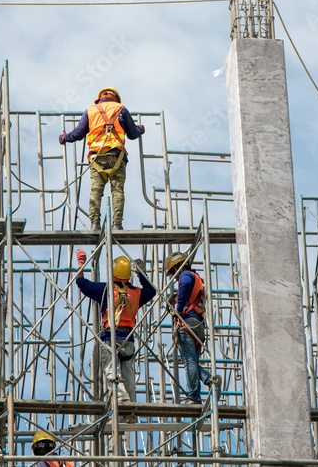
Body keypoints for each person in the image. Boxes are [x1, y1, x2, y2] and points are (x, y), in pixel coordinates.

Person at [74, 249, 155, 404]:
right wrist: (142, 273)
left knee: (112, 370)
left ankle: (121, 398)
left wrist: (81, 264)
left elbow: (82, 284)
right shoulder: (136, 293)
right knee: (128, 374)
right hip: (128, 339)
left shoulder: (105, 289)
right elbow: (151, 291)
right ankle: (129, 410)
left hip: (110, 336)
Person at [59, 88, 145, 231]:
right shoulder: (121, 109)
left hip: (96, 158)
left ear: (100, 98)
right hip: (117, 157)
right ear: (116, 99)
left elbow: (79, 133)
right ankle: (117, 224)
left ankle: (94, 224)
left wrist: (64, 137)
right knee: (117, 191)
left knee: (96, 191)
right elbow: (133, 133)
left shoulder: (91, 110)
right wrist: (141, 128)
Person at [165, 252, 221, 404]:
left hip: (188, 322)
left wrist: (179, 306)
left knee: (189, 360)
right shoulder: (197, 278)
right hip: (198, 325)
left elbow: (184, 284)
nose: (175, 277)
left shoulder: (186, 275)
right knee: (193, 362)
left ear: (178, 267)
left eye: (174, 273)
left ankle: (195, 396)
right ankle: (209, 380)